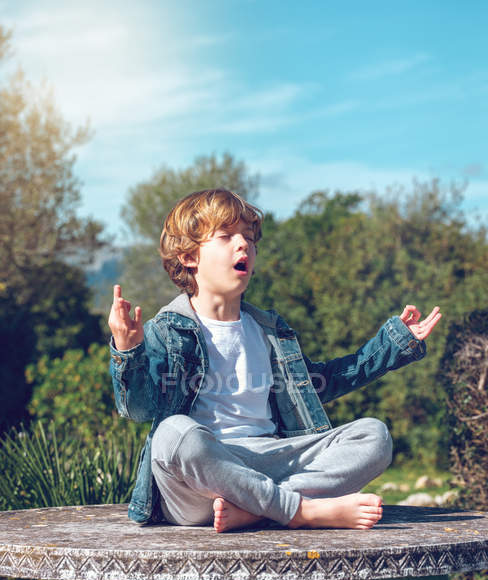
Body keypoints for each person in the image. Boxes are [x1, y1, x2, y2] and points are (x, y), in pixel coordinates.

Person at [109, 188, 441, 533]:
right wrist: (128, 350)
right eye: (226, 236)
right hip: (202, 481)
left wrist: (391, 345)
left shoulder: (269, 329)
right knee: (173, 433)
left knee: (374, 435)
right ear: (189, 256)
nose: (244, 245)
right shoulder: (166, 330)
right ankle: (303, 511)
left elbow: (316, 385)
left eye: (249, 238)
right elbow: (140, 409)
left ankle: (257, 510)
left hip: (272, 462)